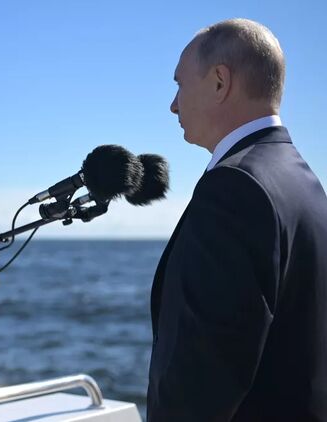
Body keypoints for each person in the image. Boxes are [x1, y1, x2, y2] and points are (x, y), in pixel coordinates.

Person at [148, 18, 327, 421]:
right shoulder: (305, 182)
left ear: (219, 82)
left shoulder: (234, 188)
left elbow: (202, 383)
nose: (173, 105)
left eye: (179, 85)